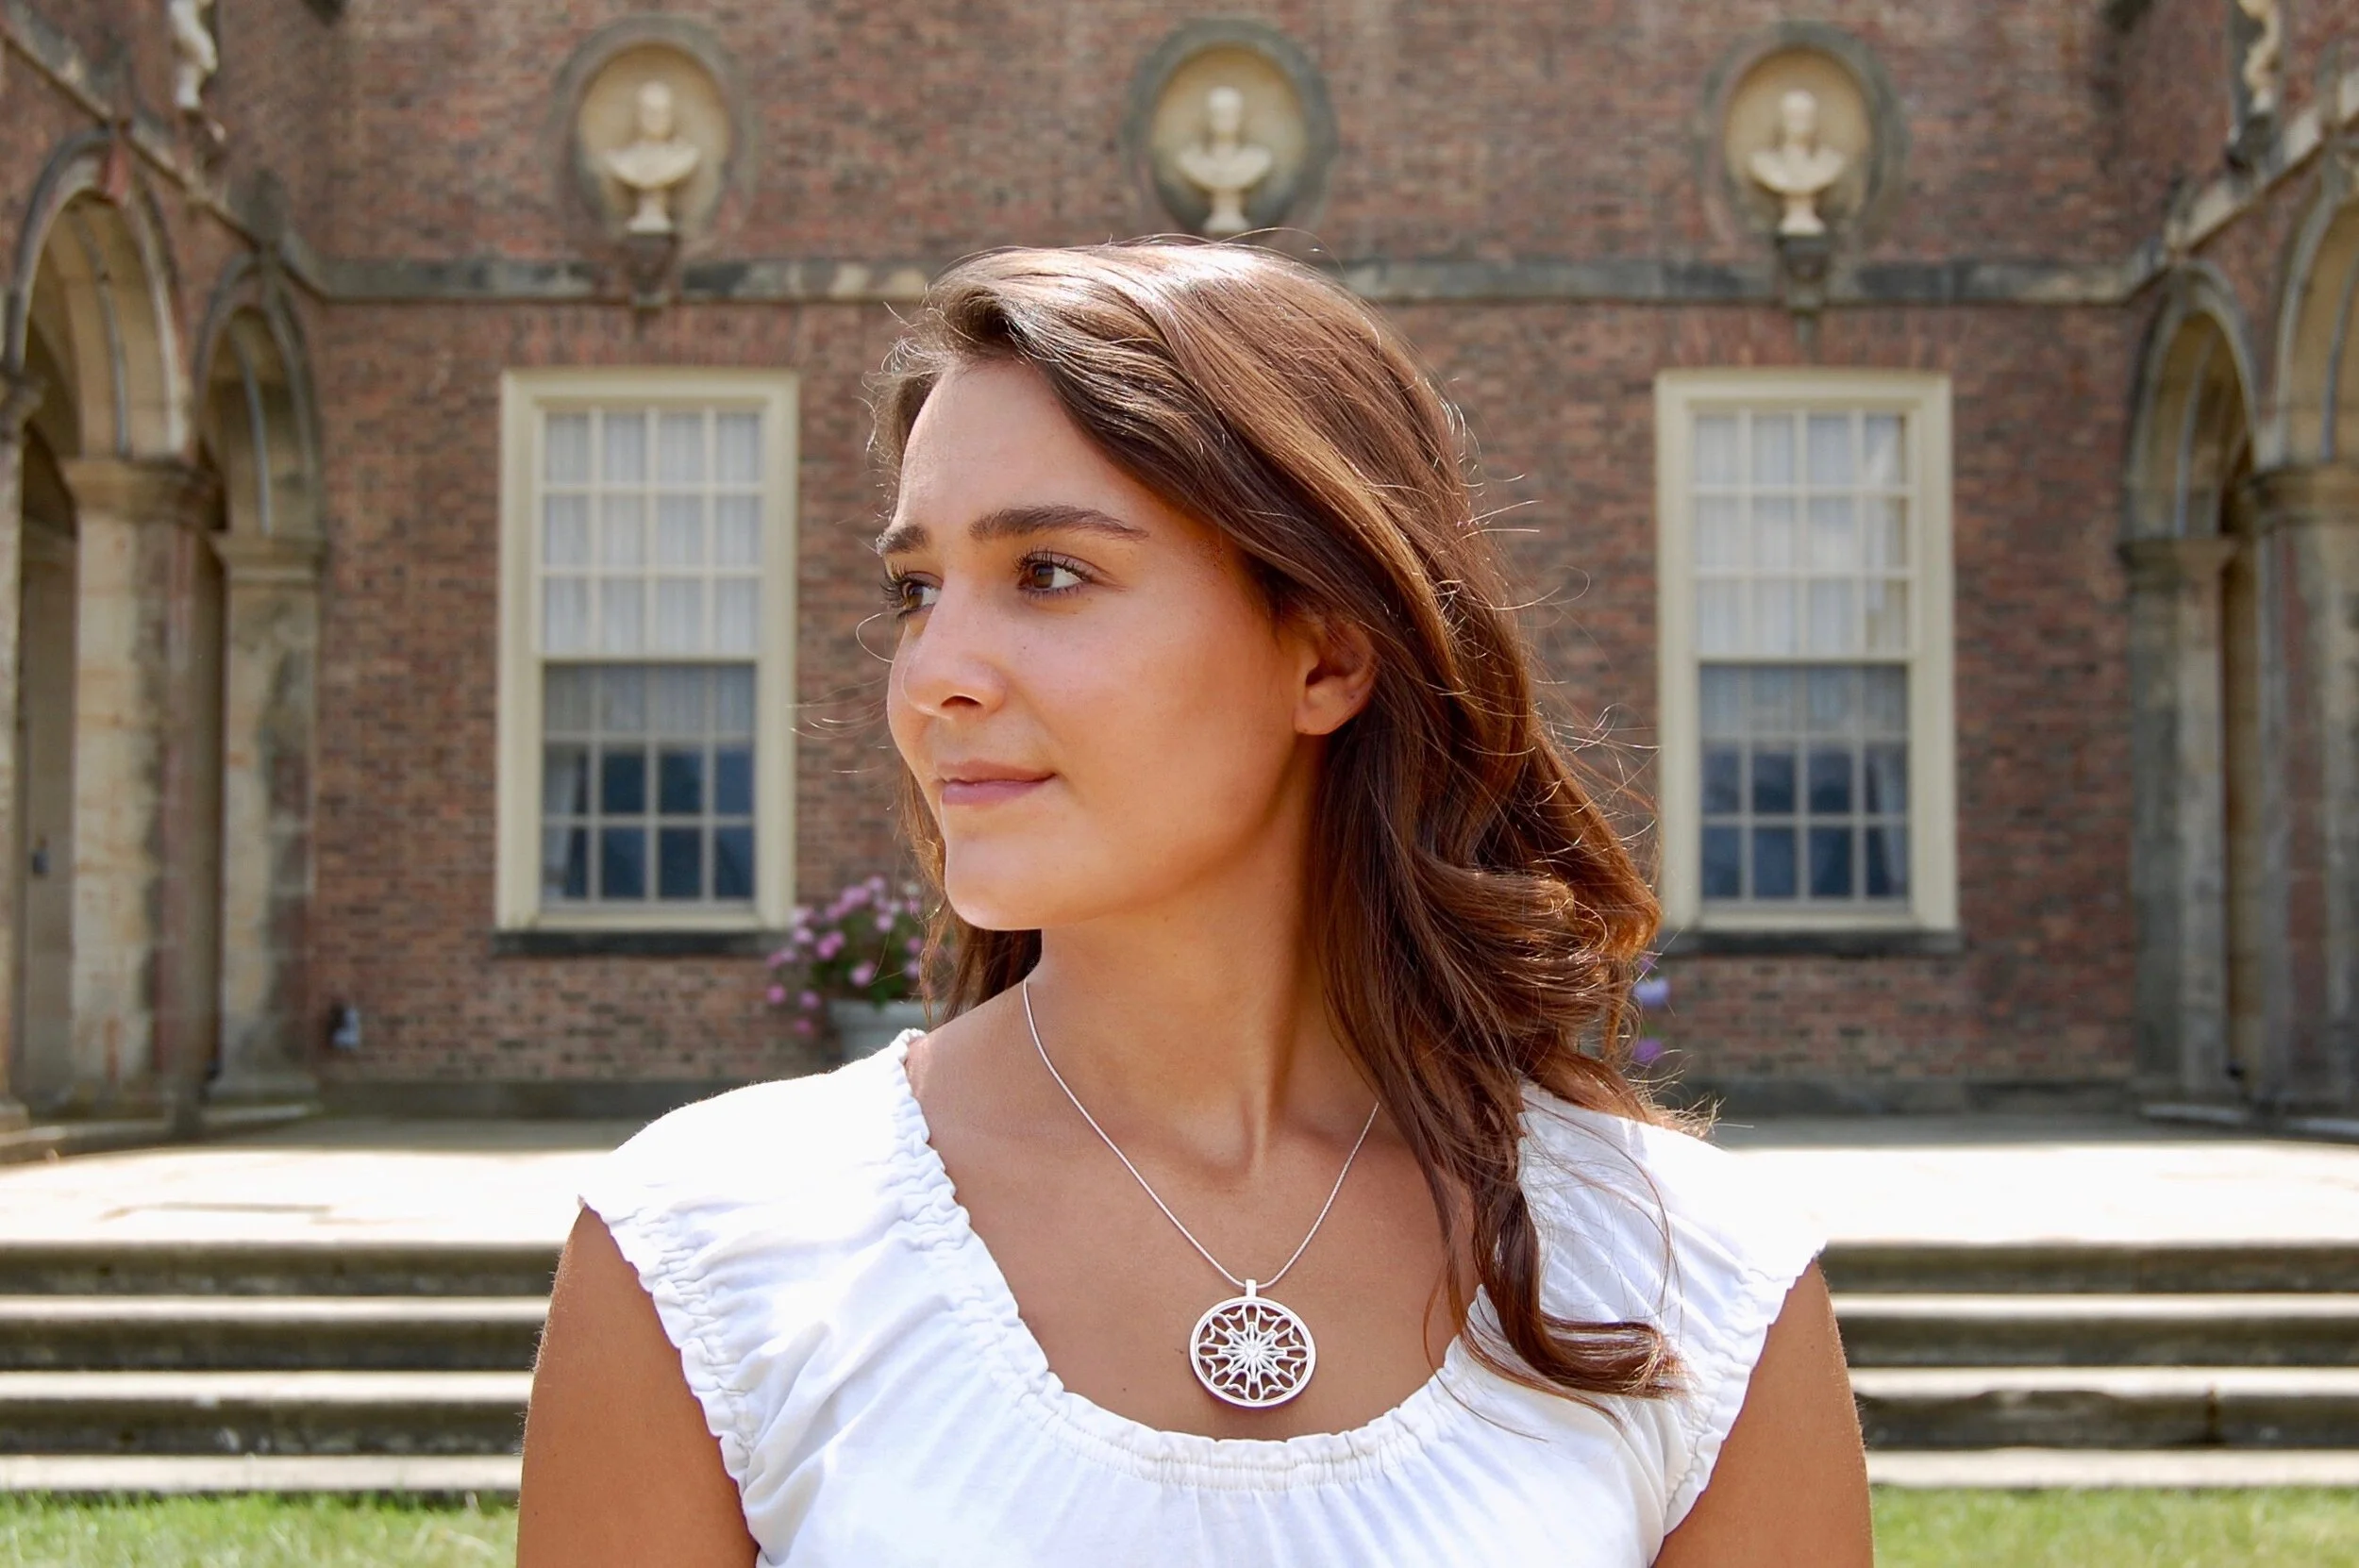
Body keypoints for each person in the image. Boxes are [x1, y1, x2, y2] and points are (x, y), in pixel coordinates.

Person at [518, 241, 1871, 1566]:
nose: (935, 671)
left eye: (1048, 571)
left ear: (1330, 650)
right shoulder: (706, 1253)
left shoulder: (1687, 1279)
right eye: (916, 588)